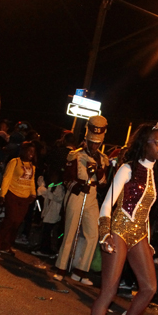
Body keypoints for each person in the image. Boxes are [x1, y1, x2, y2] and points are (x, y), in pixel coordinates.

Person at [80, 124, 158, 315]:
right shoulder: (127, 168)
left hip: (139, 234)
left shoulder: (154, 173)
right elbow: (108, 204)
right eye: (156, 142)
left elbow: (146, 212)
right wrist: (105, 234)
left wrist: (147, 241)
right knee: (109, 290)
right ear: (144, 144)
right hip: (118, 230)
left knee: (149, 287)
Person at [54, 115, 110, 285]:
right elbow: (66, 179)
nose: (94, 146)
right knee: (70, 231)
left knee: (93, 234)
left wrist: (99, 171)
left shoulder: (102, 158)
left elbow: (102, 184)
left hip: (91, 197)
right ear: (86, 139)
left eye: (97, 143)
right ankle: (61, 268)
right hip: (77, 195)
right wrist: (78, 187)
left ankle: (80, 270)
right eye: (92, 142)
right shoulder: (75, 155)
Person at [0, 141, 36, 254]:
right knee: (10, 220)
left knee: (17, 222)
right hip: (13, 194)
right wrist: (2, 194)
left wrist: (33, 193)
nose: (31, 154)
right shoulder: (15, 162)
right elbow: (6, 178)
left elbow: (31, 181)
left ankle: (7, 245)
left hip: (24, 198)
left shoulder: (32, 166)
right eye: (29, 151)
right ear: (24, 151)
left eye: (33, 152)